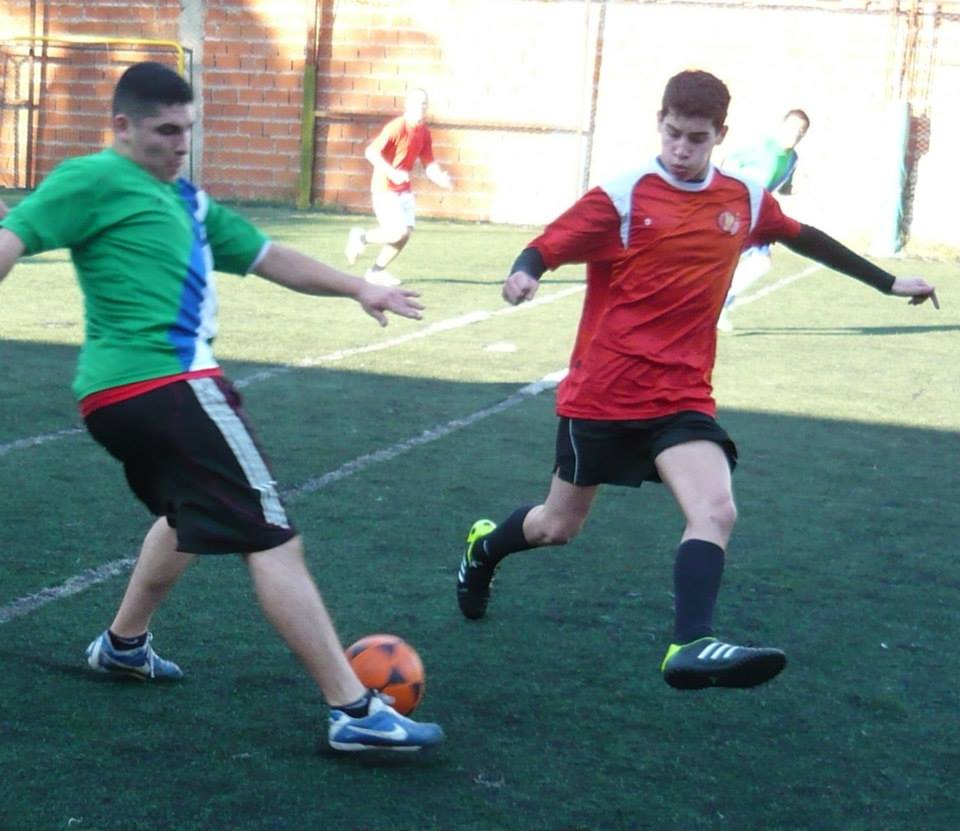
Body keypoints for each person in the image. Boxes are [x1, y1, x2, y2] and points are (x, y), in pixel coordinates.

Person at [0, 62, 443, 753]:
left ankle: (123, 644)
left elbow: (270, 257)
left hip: (118, 401)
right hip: (169, 387)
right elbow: (12, 239)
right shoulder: (91, 179)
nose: (180, 143)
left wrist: (360, 287)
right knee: (274, 537)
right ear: (122, 127)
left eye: (187, 129)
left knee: (185, 513)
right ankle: (354, 710)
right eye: (164, 131)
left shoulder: (188, 202)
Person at [455, 70, 937, 692]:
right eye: (673, 134)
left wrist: (889, 282)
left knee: (716, 509)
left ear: (721, 135)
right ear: (659, 124)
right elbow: (546, 246)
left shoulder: (744, 198)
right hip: (603, 394)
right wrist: (525, 274)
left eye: (697, 138)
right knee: (557, 526)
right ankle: (484, 549)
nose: (681, 149)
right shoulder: (622, 195)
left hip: (681, 396)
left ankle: (690, 644)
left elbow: (803, 237)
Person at [344, 87, 452, 286]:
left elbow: (429, 163)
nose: (421, 107)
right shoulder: (396, 127)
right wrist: (392, 172)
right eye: (417, 103)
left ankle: (376, 271)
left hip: (404, 190)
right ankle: (361, 237)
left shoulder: (424, 132)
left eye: (424, 104)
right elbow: (371, 152)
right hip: (385, 188)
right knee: (397, 232)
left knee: (405, 234)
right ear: (408, 105)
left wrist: (440, 179)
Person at [717, 109, 811, 331]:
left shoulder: (793, 159)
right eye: (793, 128)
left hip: (756, 218)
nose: (796, 134)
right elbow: (728, 161)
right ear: (782, 127)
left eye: (801, 131)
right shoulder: (762, 146)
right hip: (734, 213)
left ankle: (721, 304)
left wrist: (795, 189)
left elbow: (781, 188)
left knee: (760, 263)